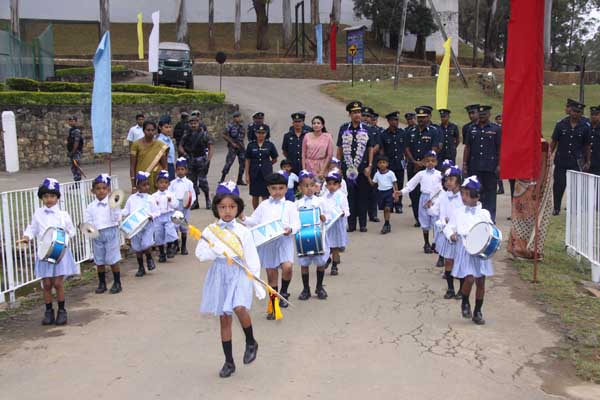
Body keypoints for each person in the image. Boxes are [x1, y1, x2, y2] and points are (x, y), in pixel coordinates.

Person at [196, 181, 262, 378]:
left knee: (239, 307)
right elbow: (200, 254)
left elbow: (252, 258)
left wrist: (257, 283)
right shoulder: (210, 230)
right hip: (220, 273)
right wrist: (214, 251)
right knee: (224, 318)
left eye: (232, 207)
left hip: (239, 272)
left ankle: (251, 341)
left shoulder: (243, 231)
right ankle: (229, 362)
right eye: (222, 207)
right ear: (216, 208)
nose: (227, 211)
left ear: (238, 208)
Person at [240, 173, 300, 318]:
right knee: (271, 275)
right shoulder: (264, 205)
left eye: (281, 188)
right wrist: (243, 218)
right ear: (268, 189)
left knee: (287, 267)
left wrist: (290, 229)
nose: (277, 192)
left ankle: (284, 291)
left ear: (286, 189)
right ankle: (273, 306)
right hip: (268, 244)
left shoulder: (290, 206)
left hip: (284, 241)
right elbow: (255, 221)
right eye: (274, 188)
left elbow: (297, 224)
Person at [21, 178, 78, 326]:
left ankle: (62, 311)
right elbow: (32, 228)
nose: (49, 199)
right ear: (41, 197)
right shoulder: (38, 214)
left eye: (52, 196)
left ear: (57, 197)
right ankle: (48, 311)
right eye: (45, 196)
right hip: (44, 253)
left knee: (58, 283)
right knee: (46, 284)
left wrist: (65, 235)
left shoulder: (63, 215)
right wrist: (26, 237)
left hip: (60, 253)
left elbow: (71, 231)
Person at [446, 176, 495, 325]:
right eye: (462, 194)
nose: (463, 197)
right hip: (465, 249)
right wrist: (451, 235)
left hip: (480, 250)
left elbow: (490, 230)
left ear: (477, 196)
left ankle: (478, 311)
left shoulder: (484, 213)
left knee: (480, 281)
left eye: (467, 194)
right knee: (469, 279)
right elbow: (449, 227)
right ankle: (465, 301)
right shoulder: (458, 212)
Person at [336, 101, 375, 232]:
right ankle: (351, 224)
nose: (357, 115)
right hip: (348, 168)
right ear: (350, 114)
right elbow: (340, 148)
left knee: (363, 196)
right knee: (350, 196)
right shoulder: (343, 128)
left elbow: (370, 148)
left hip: (362, 168)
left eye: (359, 112)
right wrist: (338, 166)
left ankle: (363, 224)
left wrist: (370, 165)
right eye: (354, 113)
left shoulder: (367, 129)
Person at [551, 100, 592, 215]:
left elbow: (587, 146)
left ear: (581, 113)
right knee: (559, 185)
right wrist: (549, 156)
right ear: (570, 111)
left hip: (576, 161)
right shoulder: (561, 124)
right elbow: (554, 142)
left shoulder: (585, 127)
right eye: (574, 111)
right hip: (561, 160)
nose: (575, 114)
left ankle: (574, 208)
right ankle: (556, 208)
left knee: (575, 186)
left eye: (578, 112)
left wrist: (588, 161)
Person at [404, 106, 443, 227]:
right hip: (413, 166)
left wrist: (422, 163)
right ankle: (418, 217)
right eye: (419, 117)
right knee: (414, 193)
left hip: (428, 168)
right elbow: (406, 148)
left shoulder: (434, 131)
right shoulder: (410, 131)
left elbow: (435, 149)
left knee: (429, 191)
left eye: (424, 117)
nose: (421, 119)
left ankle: (430, 215)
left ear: (429, 117)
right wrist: (414, 162)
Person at [295, 170, 330, 300]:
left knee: (320, 263)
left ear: (316, 186)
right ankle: (306, 289)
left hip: (318, 237)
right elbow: (293, 219)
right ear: (300, 188)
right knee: (304, 264)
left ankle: (319, 287)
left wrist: (324, 218)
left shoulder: (320, 201)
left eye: (312, 185)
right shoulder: (297, 204)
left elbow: (329, 214)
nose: (309, 188)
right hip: (303, 238)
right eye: (306, 186)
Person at [84, 174, 123, 294]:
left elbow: (118, 218)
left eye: (104, 188)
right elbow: (88, 221)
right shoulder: (90, 207)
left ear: (108, 190)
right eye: (98, 188)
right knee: (99, 259)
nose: (101, 191)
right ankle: (102, 283)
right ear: (93, 191)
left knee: (113, 258)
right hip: (97, 234)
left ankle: (117, 282)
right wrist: (90, 230)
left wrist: (114, 207)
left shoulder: (112, 203)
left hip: (110, 231)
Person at [462, 105, 502, 222]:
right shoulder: (471, 129)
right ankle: (476, 219)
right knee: (475, 193)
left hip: (490, 167)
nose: (482, 116)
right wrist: (464, 164)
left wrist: (500, 165)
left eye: (484, 114)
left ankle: (490, 220)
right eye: (480, 114)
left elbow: (500, 148)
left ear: (489, 115)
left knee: (490, 194)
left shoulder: (496, 129)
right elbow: (467, 147)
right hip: (474, 167)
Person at [400, 150, 443, 253]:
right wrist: (401, 192)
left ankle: (436, 243)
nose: (430, 163)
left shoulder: (440, 175)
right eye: (427, 161)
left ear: (436, 162)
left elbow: (443, 188)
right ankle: (426, 243)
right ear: (424, 162)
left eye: (433, 161)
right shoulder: (421, 174)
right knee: (424, 221)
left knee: (437, 222)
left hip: (435, 200)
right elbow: (411, 185)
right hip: (424, 199)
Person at [122, 171, 160, 277]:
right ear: (138, 186)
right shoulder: (131, 198)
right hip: (135, 227)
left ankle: (149, 257)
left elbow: (157, 211)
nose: (147, 187)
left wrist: (152, 215)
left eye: (148, 184)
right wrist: (118, 212)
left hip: (147, 225)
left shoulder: (151, 198)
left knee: (146, 244)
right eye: (144, 185)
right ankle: (141, 267)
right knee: (137, 248)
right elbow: (126, 210)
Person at [435, 167, 464, 300]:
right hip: (448, 234)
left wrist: (458, 230)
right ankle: (450, 288)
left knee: (460, 262)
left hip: (460, 234)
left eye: (451, 179)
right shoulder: (444, 196)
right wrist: (445, 226)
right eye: (446, 180)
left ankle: (462, 290)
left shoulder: (464, 196)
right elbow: (442, 215)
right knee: (448, 261)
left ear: (458, 181)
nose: (448, 182)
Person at [179, 115, 214, 209]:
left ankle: (207, 199)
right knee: (192, 182)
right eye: (191, 123)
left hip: (201, 159)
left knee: (203, 182)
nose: (193, 125)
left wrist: (208, 159)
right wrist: (184, 154)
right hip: (190, 160)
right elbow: (180, 146)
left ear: (198, 123)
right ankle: (195, 202)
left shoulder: (204, 134)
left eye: (195, 123)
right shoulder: (186, 135)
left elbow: (210, 147)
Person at [322, 169, 349, 276]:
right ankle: (327, 258)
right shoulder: (324, 196)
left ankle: (334, 265)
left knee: (335, 246)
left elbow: (346, 209)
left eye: (334, 184)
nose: (332, 186)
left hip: (337, 224)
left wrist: (343, 213)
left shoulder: (341, 196)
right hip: (327, 225)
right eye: (329, 184)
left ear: (339, 185)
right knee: (327, 244)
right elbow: (321, 208)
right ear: (326, 185)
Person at [245, 126, 279, 209]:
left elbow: (275, 158)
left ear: (266, 134)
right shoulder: (251, 145)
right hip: (254, 173)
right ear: (256, 134)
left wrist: (267, 164)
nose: (261, 135)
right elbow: (247, 160)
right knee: (255, 195)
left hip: (266, 174)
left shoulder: (269, 145)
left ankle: (264, 212)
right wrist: (247, 175)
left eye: (263, 133)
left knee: (265, 195)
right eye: (259, 133)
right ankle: (256, 212)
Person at [130, 121, 168, 194]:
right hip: (141, 180)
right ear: (143, 131)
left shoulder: (160, 145)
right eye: (148, 130)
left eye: (153, 130)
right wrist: (133, 186)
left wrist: (163, 182)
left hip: (155, 180)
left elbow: (165, 166)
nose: (151, 132)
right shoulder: (136, 144)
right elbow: (132, 166)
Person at [169, 157, 196, 255]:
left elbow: (193, 195)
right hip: (176, 206)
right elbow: (170, 194)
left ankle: (184, 246)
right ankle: (176, 245)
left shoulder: (189, 183)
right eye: (178, 169)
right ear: (176, 171)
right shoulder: (172, 183)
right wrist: (171, 202)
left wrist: (189, 203)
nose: (180, 171)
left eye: (182, 169)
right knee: (175, 226)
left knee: (184, 226)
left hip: (185, 206)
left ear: (186, 170)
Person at [381, 111, 406, 213]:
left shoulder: (402, 133)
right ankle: (389, 204)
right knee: (389, 185)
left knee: (399, 184)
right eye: (392, 120)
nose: (395, 122)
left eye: (396, 120)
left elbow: (405, 148)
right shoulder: (384, 134)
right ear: (388, 121)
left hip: (399, 163)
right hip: (389, 164)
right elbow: (382, 150)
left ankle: (398, 204)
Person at [152, 170, 179, 262]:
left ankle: (169, 248)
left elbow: (176, 205)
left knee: (170, 231)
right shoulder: (154, 196)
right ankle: (161, 253)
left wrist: (171, 201)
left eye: (166, 182)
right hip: (158, 217)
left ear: (169, 184)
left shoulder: (171, 194)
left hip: (168, 216)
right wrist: (155, 205)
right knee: (159, 234)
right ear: (157, 184)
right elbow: (151, 207)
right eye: (161, 182)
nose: (163, 185)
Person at [368, 156, 399, 234]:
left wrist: (396, 194)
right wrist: (368, 176)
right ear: (377, 165)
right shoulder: (377, 174)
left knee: (387, 208)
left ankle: (386, 224)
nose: (382, 164)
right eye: (380, 163)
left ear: (387, 164)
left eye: (384, 162)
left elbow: (395, 183)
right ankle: (387, 223)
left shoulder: (391, 173)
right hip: (380, 193)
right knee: (384, 209)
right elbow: (372, 183)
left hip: (389, 192)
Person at [220, 111, 247, 185]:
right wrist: (232, 143)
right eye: (237, 117)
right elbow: (224, 135)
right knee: (229, 163)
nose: (239, 118)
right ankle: (222, 178)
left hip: (241, 147)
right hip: (233, 147)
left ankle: (239, 179)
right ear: (234, 118)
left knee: (243, 163)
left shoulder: (242, 126)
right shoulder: (230, 126)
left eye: (240, 117)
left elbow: (243, 136)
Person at [157, 115, 177, 181]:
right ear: (160, 127)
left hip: (171, 165)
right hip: (165, 166)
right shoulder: (160, 141)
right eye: (166, 127)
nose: (168, 129)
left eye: (170, 127)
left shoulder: (169, 139)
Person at [67, 115, 84, 182]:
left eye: (72, 121)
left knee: (76, 166)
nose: (71, 122)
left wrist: (73, 152)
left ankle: (78, 182)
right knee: (73, 167)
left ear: (76, 122)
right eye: (70, 121)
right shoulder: (71, 130)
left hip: (76, 152)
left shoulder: (76, 131)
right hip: (72, 152)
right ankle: (76, 181)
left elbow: (76, 142)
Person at [590, 106, 600, 176]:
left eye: (596, 115)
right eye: (592, 114)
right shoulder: (586, 127)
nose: (594, 116)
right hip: (587, 162)